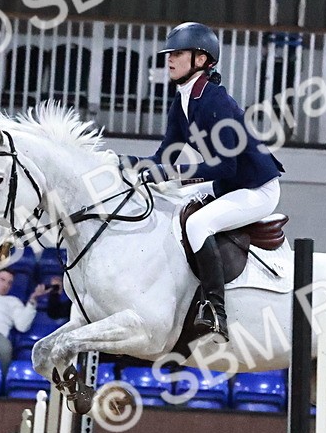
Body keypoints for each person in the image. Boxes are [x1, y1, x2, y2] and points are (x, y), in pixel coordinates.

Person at [121, 21, 284, 343]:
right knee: (164, 202)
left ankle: (214, 309)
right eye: (170, 54)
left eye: (177, 54)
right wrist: (125, 164)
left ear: (201, 59)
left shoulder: (216, 102)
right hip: (227, 184)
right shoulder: (182, 102)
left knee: (198, 225)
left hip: (255, 189)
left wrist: (171, 175)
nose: (169, 60)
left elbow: (225, 166)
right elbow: (164, 156)